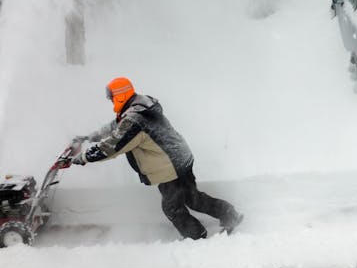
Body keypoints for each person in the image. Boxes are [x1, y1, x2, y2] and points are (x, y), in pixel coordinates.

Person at [71, 77, 242, 239]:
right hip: (180, 158)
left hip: (171, 166)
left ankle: (196, 237)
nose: (111, 101)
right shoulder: (139, 106)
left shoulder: (135, 119)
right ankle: (229, 215)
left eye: (112, 98)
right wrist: (90, 137)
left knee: (172, 207)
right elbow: (115, 127)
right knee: (192, 198)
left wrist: (84, 157)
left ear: (121, 95)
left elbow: (113, 146)